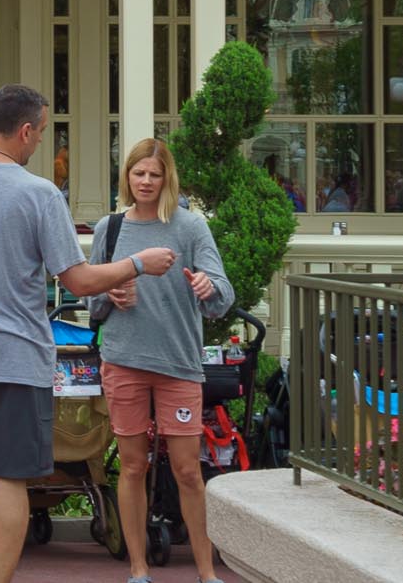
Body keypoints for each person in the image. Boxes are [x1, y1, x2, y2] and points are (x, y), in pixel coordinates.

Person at [0, 85, 175, 583]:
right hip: (18, 358)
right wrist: (138, 263)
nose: (38, 144)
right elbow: (78, 281)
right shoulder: (39, 193)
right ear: (26, 130)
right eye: (42, 133)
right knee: (9, 477)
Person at [91, 139, 234, 583]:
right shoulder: (109, 229)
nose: (146, 182)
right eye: (139, 174)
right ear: (127, 178)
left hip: (178, 363)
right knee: (132, 466)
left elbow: (222, 296)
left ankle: (207, 573)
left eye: (154, 174)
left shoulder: (190, 227)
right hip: (124, 359)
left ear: (167, 177)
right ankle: (138, 570)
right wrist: (109, 294)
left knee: (188, 471)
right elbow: (90, 300)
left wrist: (209, 289)